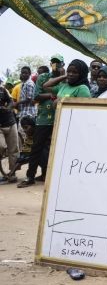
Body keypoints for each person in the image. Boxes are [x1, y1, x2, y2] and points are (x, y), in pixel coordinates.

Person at [18, 54, 64, 187]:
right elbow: (36, 96)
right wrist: (55, 94)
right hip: (44, 118)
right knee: (36, 148)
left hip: (60, 119)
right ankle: (29, 177)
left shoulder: (66, 78)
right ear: (51, 64)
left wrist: (64, 78)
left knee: (57, 149)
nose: (56, 65)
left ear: (63, 64)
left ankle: (52, 177)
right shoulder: (43, 77)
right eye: (53, 62)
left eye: (58, 62)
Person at [0, 116, 49, 184]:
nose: (24, 130)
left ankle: (46, 174)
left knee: (38, 151)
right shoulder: (29, 138)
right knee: (31, 153)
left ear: (33, 125)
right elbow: (24, 155)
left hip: (51, 157)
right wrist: (12, 171)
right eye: (23, 128)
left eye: (26, 127)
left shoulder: (42, 134)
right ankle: (44, 175)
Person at [0, 82, 18, 183]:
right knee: (1, 147)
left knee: (14, 148)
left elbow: (11, 100)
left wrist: (7, 108)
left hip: (10, 122)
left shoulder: (2, 90)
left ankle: (12, 173)